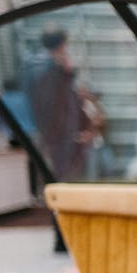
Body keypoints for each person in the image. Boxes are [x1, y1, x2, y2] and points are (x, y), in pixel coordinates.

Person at [24, 26, 87, 180]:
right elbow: (55, 104)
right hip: (59, 138)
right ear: (62, 45)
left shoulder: (32, 66)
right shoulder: (50, 69)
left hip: (50, 135)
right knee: (63, 178)